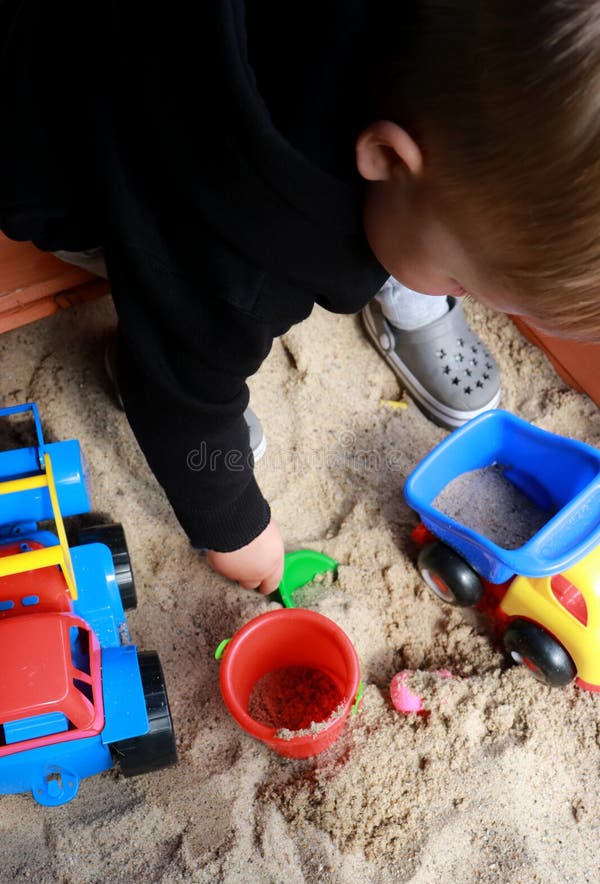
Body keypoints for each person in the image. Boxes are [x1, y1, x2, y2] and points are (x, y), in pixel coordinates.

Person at [1, 2, 599, 597]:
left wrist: (439, 247)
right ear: (387, 159)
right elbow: (182, 388)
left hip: (336, 133)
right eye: (462, 284)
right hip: (72, 138)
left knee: (423, 232)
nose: (471, 298)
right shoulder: (245, 262)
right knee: (181, 354)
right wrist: (234, 522)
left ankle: (419, 247)